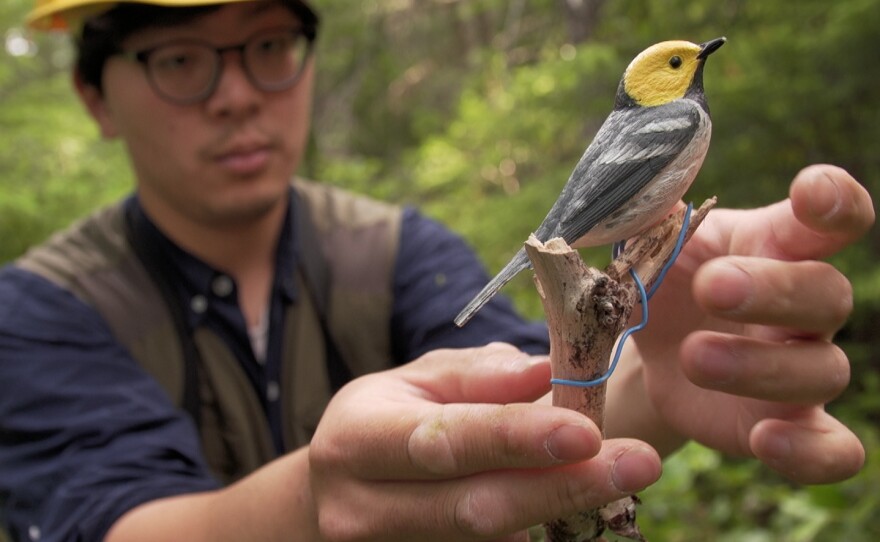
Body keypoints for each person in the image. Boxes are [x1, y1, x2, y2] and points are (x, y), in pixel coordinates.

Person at [0, 0, 873, 541]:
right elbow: (109, 522)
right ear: (92, 95)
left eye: (268, 44)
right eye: (181, 57)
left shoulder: (400, 250)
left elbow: (527, 405)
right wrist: (318, 501)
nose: (237, 94)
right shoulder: (40, 308)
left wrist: (650, 368)